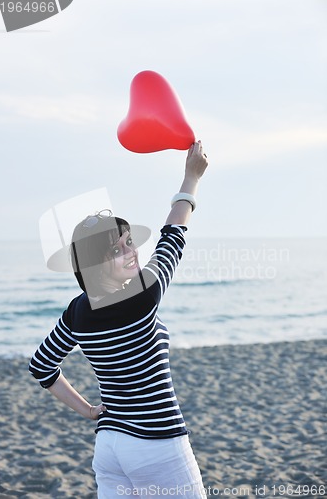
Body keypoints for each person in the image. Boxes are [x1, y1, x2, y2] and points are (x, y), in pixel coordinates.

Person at [29, 141, 209, 498]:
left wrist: (90, 411)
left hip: (110, 446)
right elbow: (173, 237)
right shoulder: (141, 295)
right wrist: (192, 178)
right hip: (157, 444)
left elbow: (42, 366)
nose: (131, 251)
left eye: (128, 241)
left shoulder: (77, 310)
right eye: (117, 249)